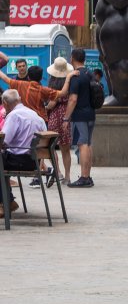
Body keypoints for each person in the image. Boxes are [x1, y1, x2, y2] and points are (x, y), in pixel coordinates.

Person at [0, 89, 47, 218]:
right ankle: (8, 201)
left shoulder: (14, 116)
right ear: (19, 100)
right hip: (34, 161)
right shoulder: (35, 115)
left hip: (19, 160)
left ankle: (4, 202)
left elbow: (4, 140)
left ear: (4, 103)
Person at [0, 57, 70, 123]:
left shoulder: (20, 84)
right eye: (19, 66)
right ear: (41, 78)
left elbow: (5, 78)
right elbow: (63, 93)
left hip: (24, 119)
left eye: (23, 66)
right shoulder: (44, 90)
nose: (22, 68)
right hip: (40, 119)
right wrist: (68, 77)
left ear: (29, 77)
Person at [65, 49, 97, 188]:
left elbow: (72, 99)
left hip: (80, 115)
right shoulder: (90, 74)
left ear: (72, 58)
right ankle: (88, 176)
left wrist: (66, 118)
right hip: (91, 113)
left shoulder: (76, 76)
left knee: (82, 144)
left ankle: (84, 178)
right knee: (88, 144)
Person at [44, 57, 76, 186]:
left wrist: (45, 108)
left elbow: (51, 104)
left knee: (51, 147)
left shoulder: (53, 86)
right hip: (66, 116)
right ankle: (68, 176)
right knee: (65, 149)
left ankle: (58, 172)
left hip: (54, 117)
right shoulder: (71, 83)